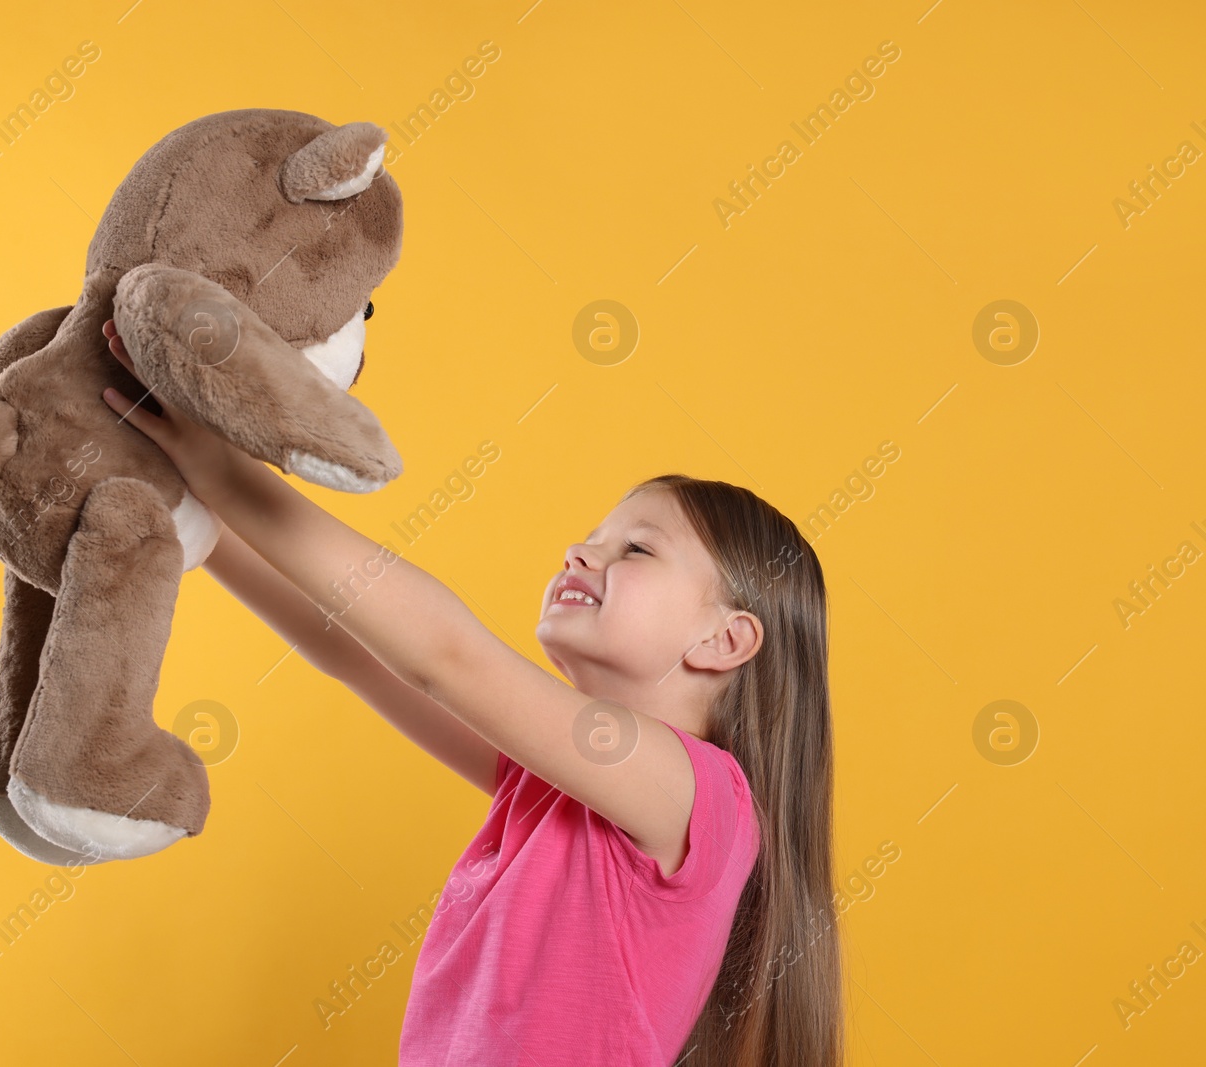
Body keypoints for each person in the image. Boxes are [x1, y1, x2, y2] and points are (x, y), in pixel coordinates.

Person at [100, 321, 843, 1065]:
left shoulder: (698, 793)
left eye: (637, 548)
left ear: (726, 640)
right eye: (594, 534)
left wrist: (225, 474)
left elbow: (447, 658)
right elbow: (358, 652)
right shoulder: (551, 783)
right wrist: (192, 515)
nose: (579, 551)